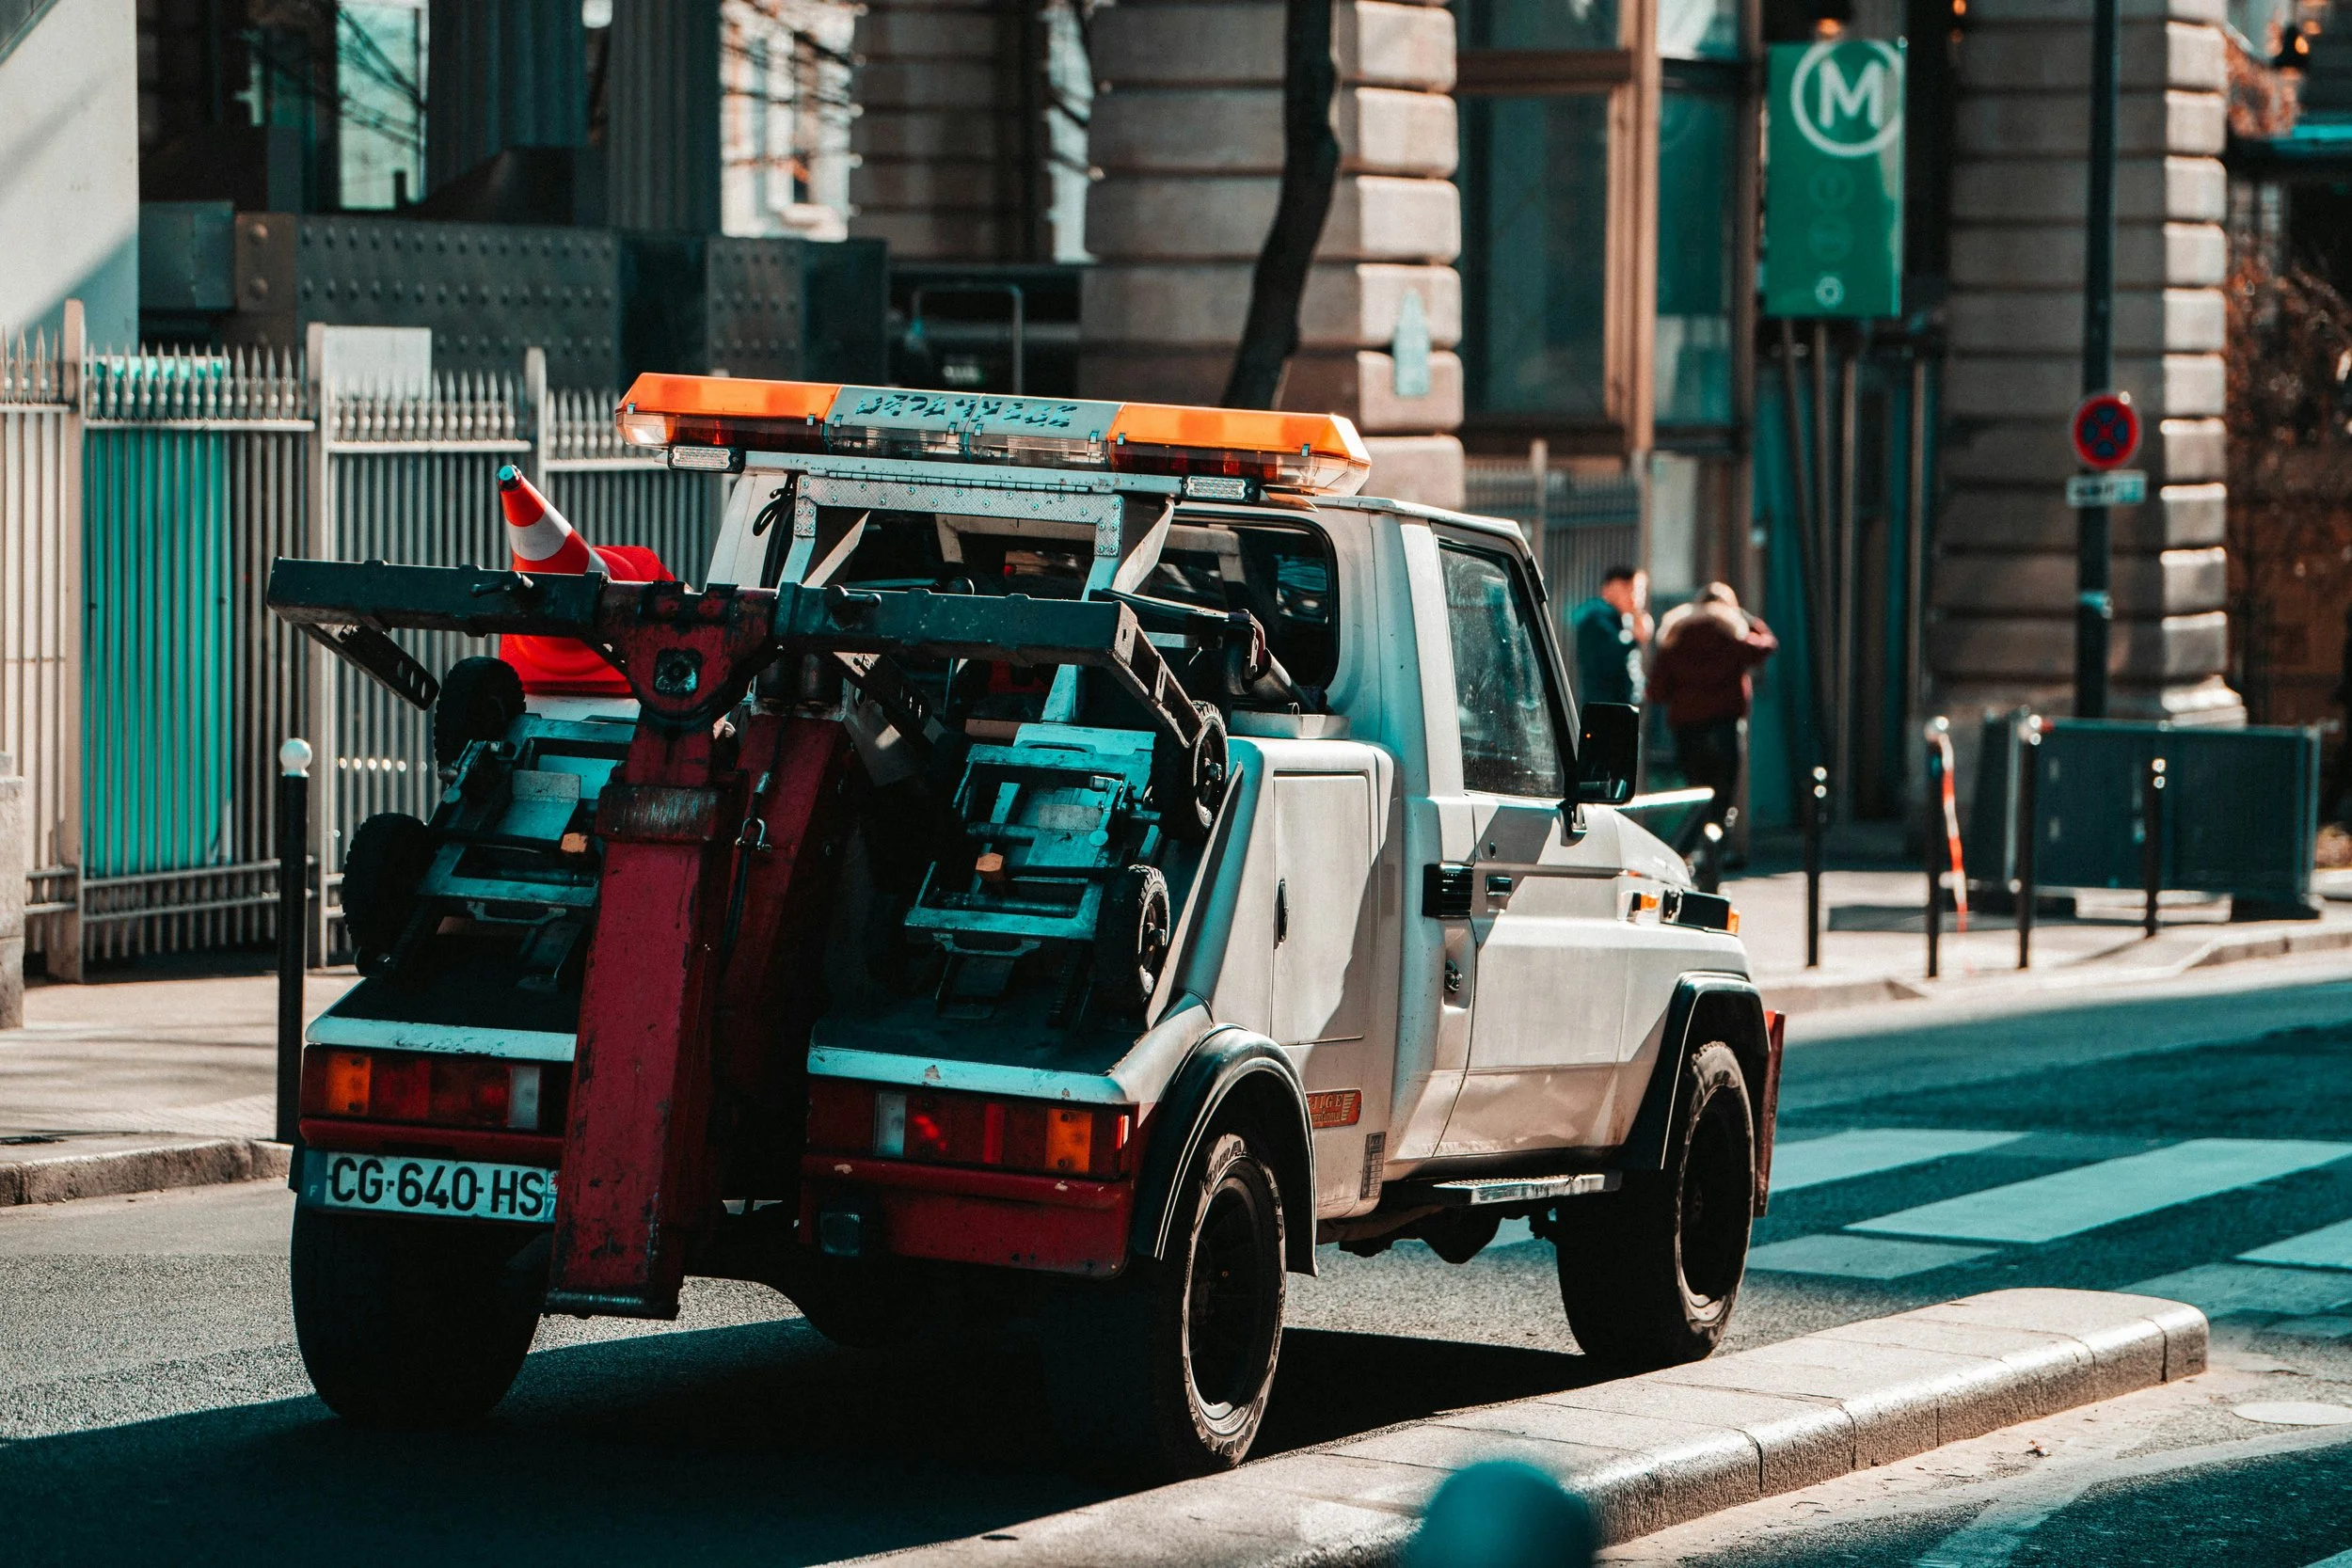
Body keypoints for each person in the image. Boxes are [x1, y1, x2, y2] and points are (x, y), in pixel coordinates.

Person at [1646, 581, 1776, 857]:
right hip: (1724, 725)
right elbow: (1767, 646)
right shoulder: (1732, 634)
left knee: (1696, 795)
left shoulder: (1676, 634)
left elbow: (1657, 690)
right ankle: (1714, 858)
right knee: (1722, 797)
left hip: (1686, 728)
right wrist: (1750, 620)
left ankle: (1688, 854)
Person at [1570, 564, 1651, 706]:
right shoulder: (1595, 618)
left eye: (1640, 591)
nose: (1635, 597)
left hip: (1622, 707)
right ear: (1608, 589)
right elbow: (1608, 658)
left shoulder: (1623, 621)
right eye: (1628, 588)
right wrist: (1634, 637)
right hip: (1605, 708)